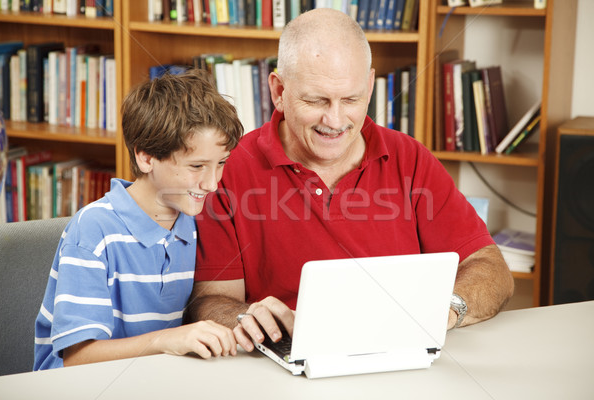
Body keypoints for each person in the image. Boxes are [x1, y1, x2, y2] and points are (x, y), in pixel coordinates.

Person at [187, 8, 514, 352]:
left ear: (370, 86)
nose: (335, 119)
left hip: (400, 355)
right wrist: (246, 319)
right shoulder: (228, 169)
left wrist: (444, 311)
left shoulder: (410, 158)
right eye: (316, 99)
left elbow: (491, 269)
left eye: (351, 99)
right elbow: (210, 300)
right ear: (278, 90)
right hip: (285, 362)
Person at [33, 69, 243, 370]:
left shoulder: (195, 223)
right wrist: (168, 340)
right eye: (197, 166)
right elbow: (77, 358)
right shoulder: (93, 230)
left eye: (220, 164)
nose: (212, 183)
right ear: (146, 158)